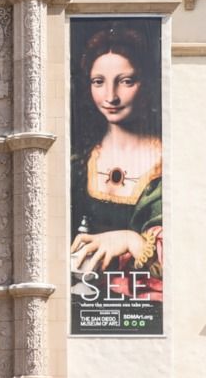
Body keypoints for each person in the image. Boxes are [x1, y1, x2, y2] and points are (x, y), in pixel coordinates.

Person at [69, 25, 164, 300]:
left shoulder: (166, 164)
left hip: (144, 307)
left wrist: (131, 240)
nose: (110, 97)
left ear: (144, 84)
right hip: (81, 300)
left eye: (125, 81)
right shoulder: (79, 161)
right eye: (98, 82)